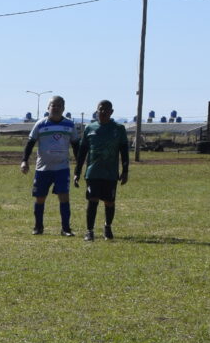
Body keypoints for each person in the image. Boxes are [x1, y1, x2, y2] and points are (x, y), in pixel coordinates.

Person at [21, 94, 82, 235]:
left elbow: (76, 145)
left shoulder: (69, 125)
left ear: (63, 108)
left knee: (64, 196)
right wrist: (24, 160)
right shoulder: (40, 124)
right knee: (40, 198)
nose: (56, 108)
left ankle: (65, 229)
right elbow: (30, 143)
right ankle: (38, 227)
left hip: (62, 168)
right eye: (53, 105)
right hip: (43, 169)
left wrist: (78, 165)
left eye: (59, 105)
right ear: (48, 107)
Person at [75, 99, 130, 241]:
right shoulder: (89, 128)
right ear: (97, 111)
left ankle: (107, 226)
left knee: (109, 201)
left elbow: (124, 151)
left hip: (110, 173)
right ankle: (89, 231)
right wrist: (77, 172)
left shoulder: (118, 129)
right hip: (93, 172)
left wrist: (125, 171)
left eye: (107, 109)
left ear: (112, 112)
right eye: (101, 109)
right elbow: (82, 152)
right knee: (92, 200)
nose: (104, 112)